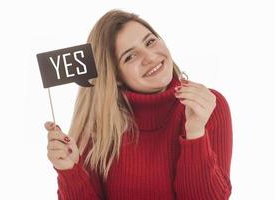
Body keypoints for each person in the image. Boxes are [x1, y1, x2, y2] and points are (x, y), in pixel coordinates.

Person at [44, 9, 232, 200]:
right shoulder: (99, 125)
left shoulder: (208, 106)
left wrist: (195, 133)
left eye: (150, 42)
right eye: (130, 56)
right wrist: (69, 171)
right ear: (115, 76)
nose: (150, 57)